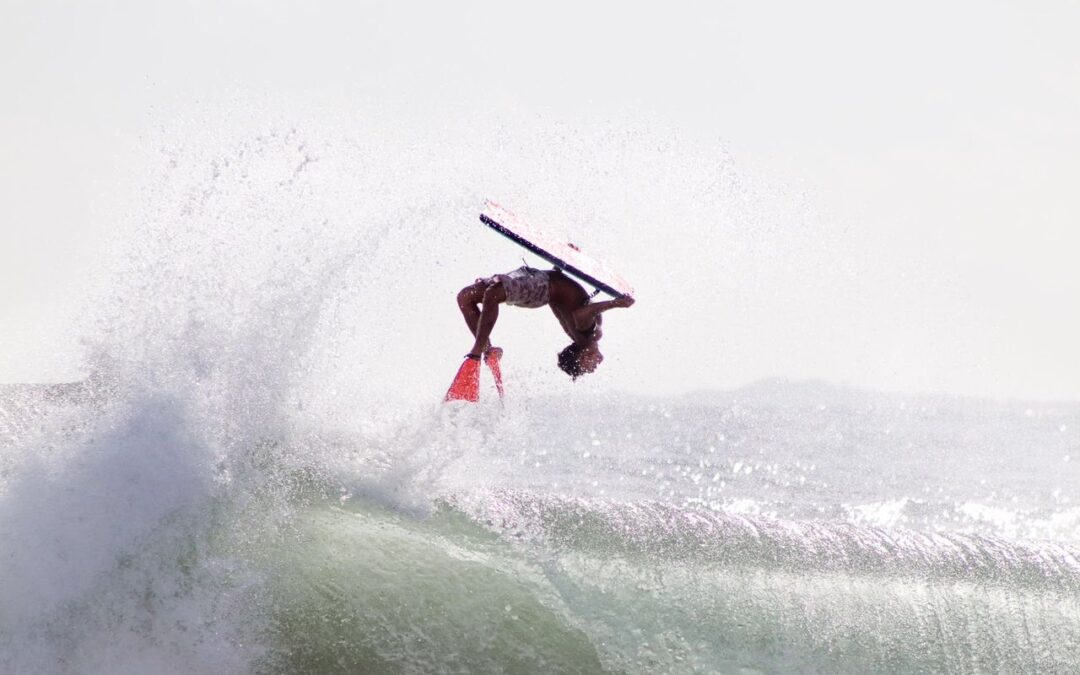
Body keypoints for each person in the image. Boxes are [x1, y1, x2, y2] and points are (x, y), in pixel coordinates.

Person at [456, 266, 635, 379]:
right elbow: (581, 312)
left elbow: (580, 311)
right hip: (542, 284)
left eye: (587, 369)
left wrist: (614, 304)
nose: (592, 369)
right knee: (465, 297)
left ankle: (482, 351)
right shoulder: (589, 337)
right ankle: (484, 350)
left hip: (539, 287)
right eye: (587, 369)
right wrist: (615, 304)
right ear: (582, 357)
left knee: (490, 295)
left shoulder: (584, 337)